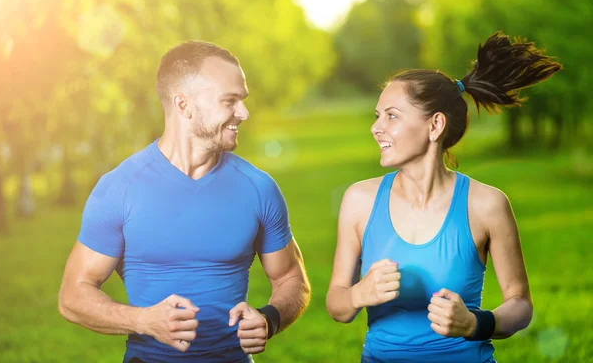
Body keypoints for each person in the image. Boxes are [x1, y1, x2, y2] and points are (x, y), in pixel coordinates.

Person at [58, 41, 311, 363]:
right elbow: (73, 294)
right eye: (229, 101)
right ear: (183, 104)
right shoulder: (119, 188)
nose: (244, 113)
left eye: (242, 101)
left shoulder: (258, 188)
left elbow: (292, 278)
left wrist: (270, 318)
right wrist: (143, 320)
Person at [326, 32, 562, 363]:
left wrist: (474, 323)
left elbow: (520, 304)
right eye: (377, 115)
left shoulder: (487, 205)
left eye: (391, 115)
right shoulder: (359, 200)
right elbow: (337, 304)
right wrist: (358, 294)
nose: (376, 128)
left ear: (435, 126)